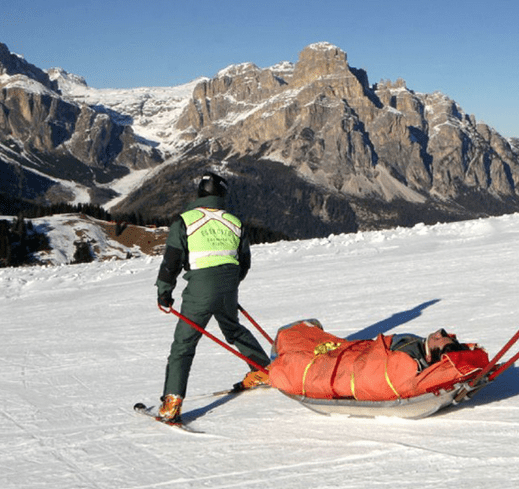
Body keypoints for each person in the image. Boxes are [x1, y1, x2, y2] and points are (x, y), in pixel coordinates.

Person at [154, 172, 271, 423]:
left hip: (200, 288)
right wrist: (227, 286)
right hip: (228, 284)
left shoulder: (185, 221)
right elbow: (245, 262)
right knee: (234, 329)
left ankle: (172, 403)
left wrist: (164, 291)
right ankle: (263, 370)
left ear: (200, 193)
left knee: (184, 345)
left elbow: (172, 261)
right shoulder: (234, 222)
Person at [268, 320, 486, 401]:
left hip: (356, 365)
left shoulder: (409, 364)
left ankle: (280, 354)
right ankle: (292, 341)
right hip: (359, 351)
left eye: (442, 336)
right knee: (312, 342)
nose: (439, 331)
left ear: (432, 356)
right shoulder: (418, 348)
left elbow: (376, 376)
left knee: (297, 359)